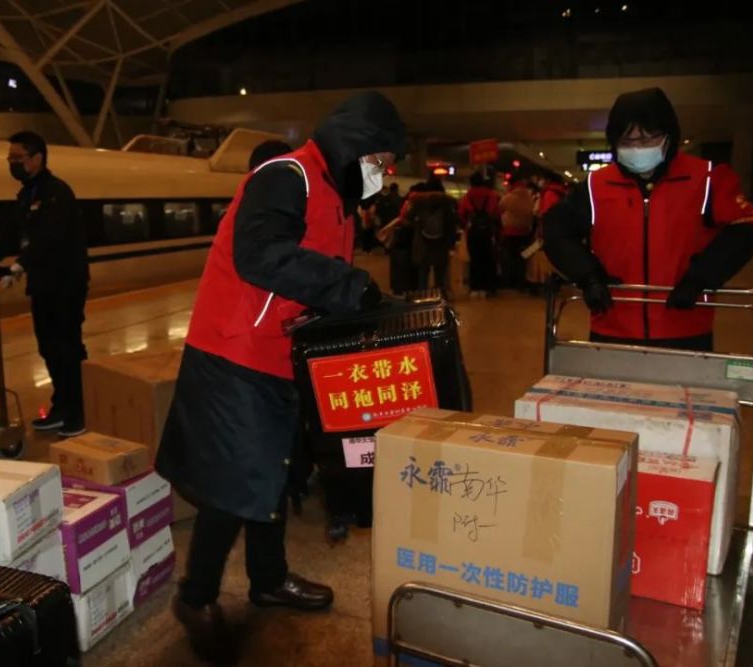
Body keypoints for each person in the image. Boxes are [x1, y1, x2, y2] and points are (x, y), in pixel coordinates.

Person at [155, 91, 405, 664]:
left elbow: (320, 273)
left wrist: (361, 304)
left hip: (285, 353)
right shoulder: (285, 177)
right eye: (379, 160)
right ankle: (196, 598)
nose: (382, 173)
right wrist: (349, 286)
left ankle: (268, 579)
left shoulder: (337, 197)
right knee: (234, 485)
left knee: (277, 471)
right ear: (353, 146)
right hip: (236, 352)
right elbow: (262, 255)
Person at [545, 87, 753, 351]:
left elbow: (745, 228)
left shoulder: (707, 179)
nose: (637, 148)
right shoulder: (594, 186)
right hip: (613, 327)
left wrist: (699, 279)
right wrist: (588, 275)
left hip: (686, 325)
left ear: (669, 135)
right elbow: (556, 230)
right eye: (627, 141)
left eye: (648, 139)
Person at [0, 131, 89, 436]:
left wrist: (18, 265)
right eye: (10, 158)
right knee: (48, 347)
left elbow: (50, 238)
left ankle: (79, 410)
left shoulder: (57, 193)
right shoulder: (26, 195)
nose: (12, 164)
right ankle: (62, 405)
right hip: (42, 284)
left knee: (68, 347)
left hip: (66, 284)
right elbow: (13, 235)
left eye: (18, 158)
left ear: (37, 158)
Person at [403, 177, 459, 294]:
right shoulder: (446, 203)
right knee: (440, 271)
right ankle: (440, 295)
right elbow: (451, 223)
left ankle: (422, 295)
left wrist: (418, 225)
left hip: (422, 241)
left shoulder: (419, 202)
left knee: (423, 271)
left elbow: (407, 219)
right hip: (441, 242)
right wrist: (452, 243)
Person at [459, 171, 501, 297]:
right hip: (487, 231)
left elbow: (461, 214)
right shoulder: (491, 195)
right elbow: (496, 213)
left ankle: (475, 287)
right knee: (488, 258)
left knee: (475, 258)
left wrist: (466, 224)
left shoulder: (468, 195)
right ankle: (488, 287)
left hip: (473, 231)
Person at [498, 179, 535, 289]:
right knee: (523, 258)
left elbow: (499, 208)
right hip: (525, 232)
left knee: (509, 257)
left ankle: (510, 280)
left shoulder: (509, 197)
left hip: (510, 232)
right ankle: (521, 281)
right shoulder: (529, 198)